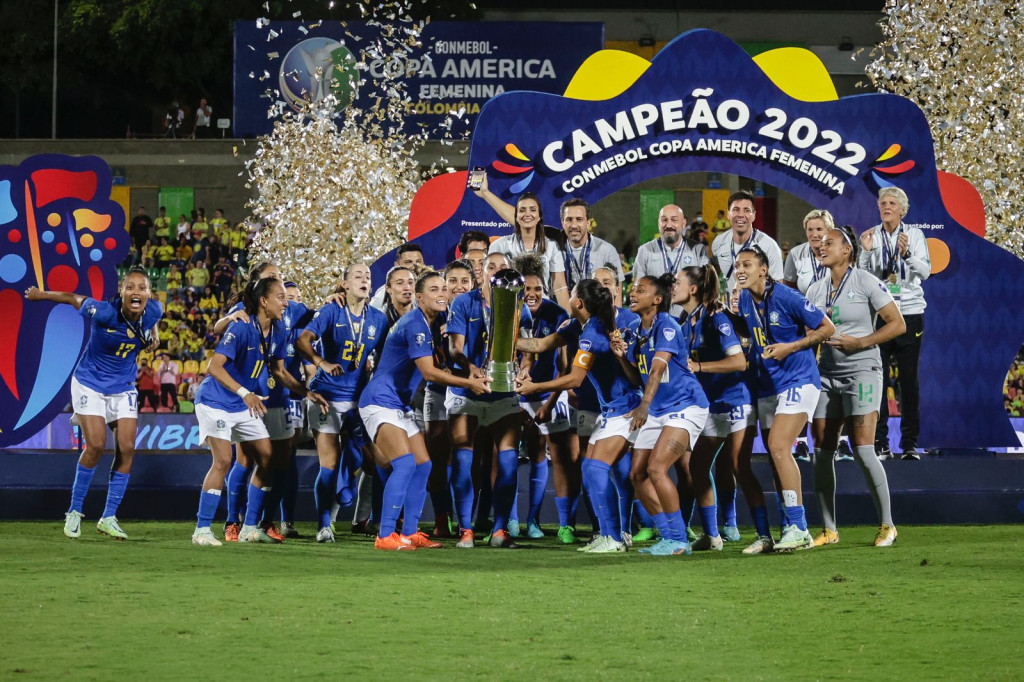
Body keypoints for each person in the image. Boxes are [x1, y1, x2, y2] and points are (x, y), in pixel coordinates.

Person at [25, 267, 163, 540]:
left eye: (142, 288)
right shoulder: (102, 311)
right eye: (130, 287)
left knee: (127, 448)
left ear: (149, 293)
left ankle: (109, 517)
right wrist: (41, 295)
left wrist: (154, 333)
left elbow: (152, 320)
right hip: (89, 382)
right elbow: (73, 298)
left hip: (122, 387)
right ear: (121, 291)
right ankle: (74, 512)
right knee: (97, 445)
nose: (136, 292)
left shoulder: (154, 310)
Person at [358, 270, 492, 550]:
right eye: (434, 289)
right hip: (380, 401)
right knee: (405, 463)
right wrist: (469, 381)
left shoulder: (433, 320)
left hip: (398, 404)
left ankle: (410, 532)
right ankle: (385, 535)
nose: (443, 293)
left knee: (424, 464)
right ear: (419, 297)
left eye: (444, 288)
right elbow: (429, 373)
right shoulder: (415, 324)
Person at [190, 276, 328, 545]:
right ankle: (202, 530)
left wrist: (306, 391)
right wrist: (245, 393)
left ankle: (250, 528)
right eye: (280, 297)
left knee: (269, 459)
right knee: (222, 461)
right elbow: (213, 368)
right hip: (216, 401)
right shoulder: (240, 328)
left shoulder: (278, 331)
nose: (285, 302)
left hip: (242, 403)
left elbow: (279, 371)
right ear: (263, 301)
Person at [516, 279, 641, 554]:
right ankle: (610, 534)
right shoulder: (579, 326)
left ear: (578, 303)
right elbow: (539, 345)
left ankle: (617, 536)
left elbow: (574, 378)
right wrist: (503, 335)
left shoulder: (593, 332)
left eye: (571, 294)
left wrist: (535, 387)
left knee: (600, 470)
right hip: (612, 409)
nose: (568, 298)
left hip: (627, 407)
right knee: (590, 469)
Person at [730, 245, 835, 552]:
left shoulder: (787, 297)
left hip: (799, 380)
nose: (740, 269)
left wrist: (792, 347)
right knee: (777, 459)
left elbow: (827, 328)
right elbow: (756, 334)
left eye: (747, 264)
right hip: (768, 385)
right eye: (737, 264)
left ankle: (800, 528)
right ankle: (782, 529)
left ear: (763, 270)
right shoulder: (747, 299)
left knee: (778, 446)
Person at [807, 226, 905, 547]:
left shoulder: (865, 281)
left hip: (863, 371)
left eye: (829, 243)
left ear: (847, 250)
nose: (822, 247)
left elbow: (897, 323)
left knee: (863, 450)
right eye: (820, 244)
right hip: (826, 375)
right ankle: (829, 529)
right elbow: (808, 334)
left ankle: (887, 525)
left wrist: (861, 341)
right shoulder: (815, 290)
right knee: (822, 452)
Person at [615, 274, 710, 556]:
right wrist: (621, 356)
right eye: (632, 290)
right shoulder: (634, 328)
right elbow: (638, 375)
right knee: (637, 474)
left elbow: (657, 370)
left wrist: (643, 405)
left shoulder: (667, 325)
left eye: (640, 290)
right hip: (658, 407)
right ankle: (668, 536)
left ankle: (680, 539)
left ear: (657, 299)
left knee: (657, 468)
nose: (632, 294)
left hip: (686, 405)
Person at [447, 252, 533, 549]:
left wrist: (525, 369)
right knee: (464, 458)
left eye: (503, 268)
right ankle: (466, 530)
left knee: (508, 460)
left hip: (504, 393)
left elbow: (527, 347)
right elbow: (455, 348)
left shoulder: (518, 302)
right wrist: (471, 369)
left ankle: (500, 531)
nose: (498, 272)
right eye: (492, 266)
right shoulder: (463, 303)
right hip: (467, 392)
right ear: (482, 272)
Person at [297, 263, 388, 543]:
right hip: (326, 396)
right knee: (330, 464)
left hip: (359, 401)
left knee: (378, 462)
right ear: (344, 284)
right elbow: (303, 339)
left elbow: (384, 359)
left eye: (368, 276)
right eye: (357, 276)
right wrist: (321, 362)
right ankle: (324, 525)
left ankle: (376, 522)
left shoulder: (378, 319)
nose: (364, 280)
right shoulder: (331, 311)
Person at [675, 265, 763, 550]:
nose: (672, 287)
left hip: (737, 401)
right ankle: (712, 536)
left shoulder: (717, 318)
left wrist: (698, 366)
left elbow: (739, 362)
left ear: (693, 289)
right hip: (712, 405)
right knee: (698, 467)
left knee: (740, 467)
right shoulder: (687, 322)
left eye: (677, 282)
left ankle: (765, 534)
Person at [857, 186, 930, 460]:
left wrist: (908, 254)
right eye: (883, 203)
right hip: (882, 314)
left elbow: (925, 272)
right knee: (879, 380)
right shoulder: (871, 236)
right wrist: (864, 253)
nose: (886, 207)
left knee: (908, 382)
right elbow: (863, 277)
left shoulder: (916, 235)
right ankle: (881, 443)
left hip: (910, 313)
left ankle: (910, 444)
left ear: (902, 209)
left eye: (891, 203)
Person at [514, 253, 574, 539]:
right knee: (510, 455)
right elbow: (524, 357)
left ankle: (551, 523)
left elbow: (564, 367)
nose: (532, 294)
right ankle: (510, 521)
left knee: (557, 456)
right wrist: (522, 378)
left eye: (537, 289)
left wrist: (550, 403)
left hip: (549, 393)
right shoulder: (507, 311)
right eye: (526, 289)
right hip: (516, 392)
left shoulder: (558, 316)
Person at [423, 259, 475, 538]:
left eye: (464, 281)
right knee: (438, 457)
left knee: (467, 458)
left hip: (467, 393)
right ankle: (442, 519)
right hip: (437, 391)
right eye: (451, 282)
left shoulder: (478, 313)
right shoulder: (433, 314)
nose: (458, 287)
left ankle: (469, 520)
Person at [472, 174, 570, 310]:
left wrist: (569, 323)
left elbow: (560, 287)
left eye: (533, 210)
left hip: (542, 312)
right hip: (508, 309)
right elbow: (488, 284)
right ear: (516, 216)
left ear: (539, 216)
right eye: (522, 210)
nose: (527, 214)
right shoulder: (500, 246)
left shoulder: (552, 246)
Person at [711, 190, 784, 294]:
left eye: (746, 210)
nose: (741, 215)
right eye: (736, 210)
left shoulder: (768, 246)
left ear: (754, 215)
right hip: (731, 307)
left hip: (757, 308)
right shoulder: (719, 242)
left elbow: (778, 287)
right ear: (728, 214)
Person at [558, 197, 623, 290]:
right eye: (569, 219)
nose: (574, 225)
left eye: (579, 219)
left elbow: (616, 294)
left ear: (588, 223)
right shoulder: (554, 249)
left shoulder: (607, 251)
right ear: (562, 223)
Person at [632, 205, 708, 281]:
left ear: (683, 223)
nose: (668, 225)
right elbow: (638, 287)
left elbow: (705, 285)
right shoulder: (645, 250)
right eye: (664, 220)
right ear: (658, 223)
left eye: (674, 220)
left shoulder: (698, 250)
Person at [783, 209, 834, 294]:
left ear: (829, 231)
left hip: (835, 306)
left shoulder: (840, 253)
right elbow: (788, 289)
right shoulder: (795, 254)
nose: (814, 235)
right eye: (810, 229)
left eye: (819, 229)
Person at [369, 243, 425, 309]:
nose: (414, 266)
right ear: (397, 265)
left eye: (418, 261)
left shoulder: (432, 288)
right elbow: (370, 315)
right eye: (408, 262)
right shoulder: (385, 292)